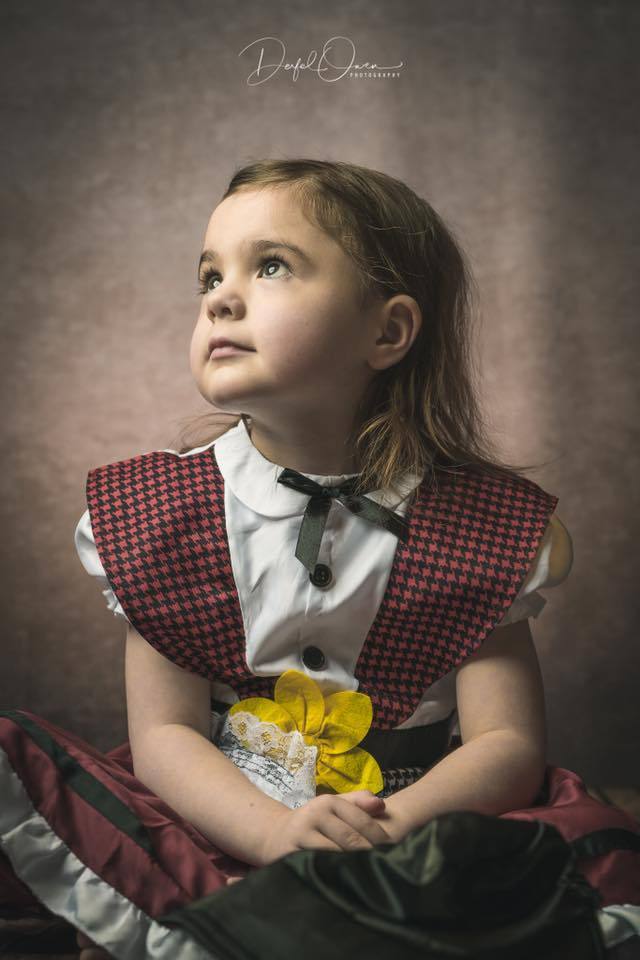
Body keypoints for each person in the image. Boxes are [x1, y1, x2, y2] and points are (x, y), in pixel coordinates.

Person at [1, 158, 638, 960]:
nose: (219, 297)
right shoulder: (160, 512)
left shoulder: (478, 526)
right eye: (209, 275)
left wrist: (391, 831)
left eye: (270, 266)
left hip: (412, 819)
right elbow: (165, 736)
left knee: (548, 869)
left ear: (388, 332)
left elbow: (504, 743)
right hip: (224, 814)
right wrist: (273, 834)